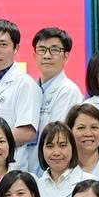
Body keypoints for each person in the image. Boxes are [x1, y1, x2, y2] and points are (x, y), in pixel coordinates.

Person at [24, 27, 84, 170]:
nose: (47, 56)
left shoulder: (69, 91)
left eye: (54, 50)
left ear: (66, 56)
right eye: (42, 50)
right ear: (34, 55)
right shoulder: (27, 89)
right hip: (25, 169)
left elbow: (57, 138)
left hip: (51, 170)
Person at [0, 18, 41, 152]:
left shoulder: (25, 85)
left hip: (12, 161)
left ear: (16, 48)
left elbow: (27, 132)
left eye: (3, 45)